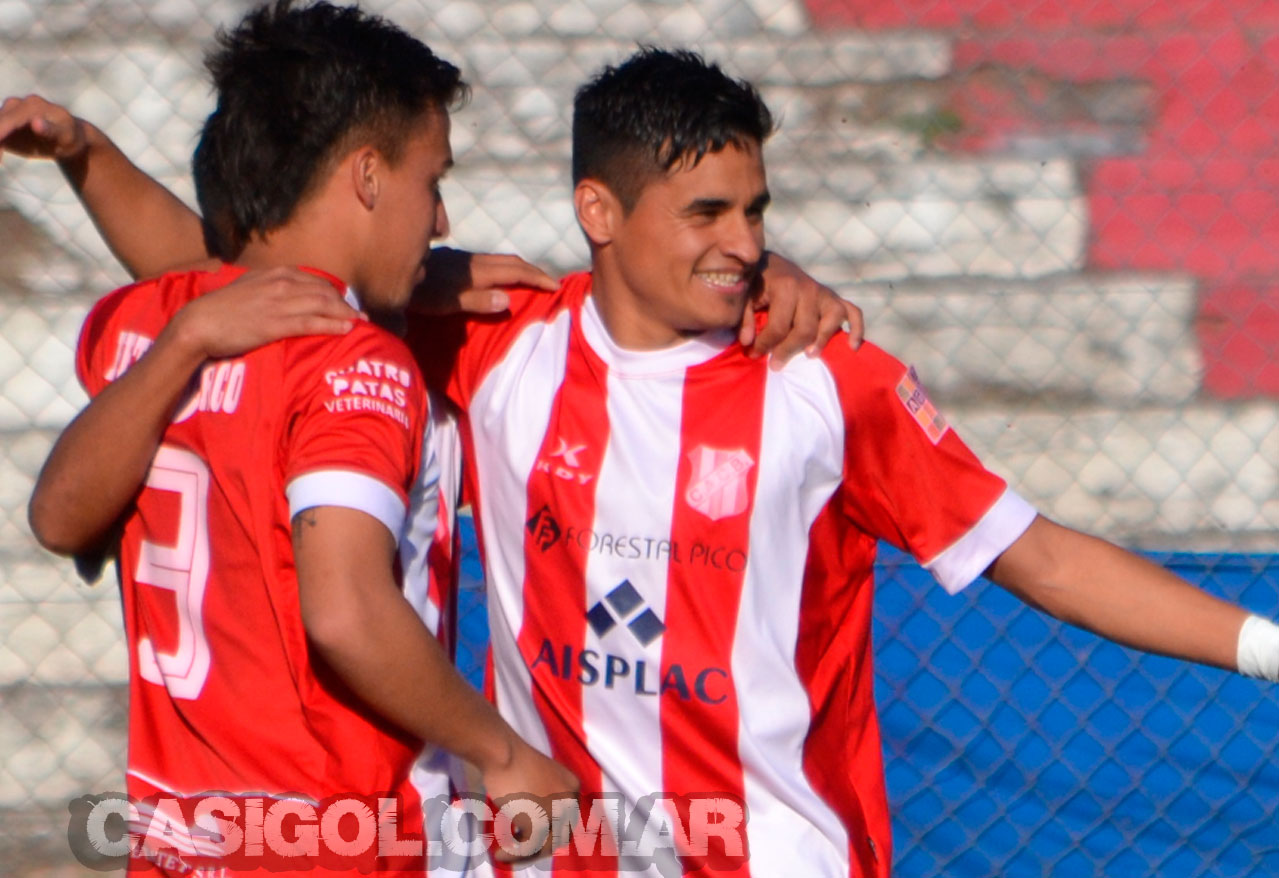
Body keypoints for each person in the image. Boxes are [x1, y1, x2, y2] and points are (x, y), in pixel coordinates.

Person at [20, 41, 1261, 878]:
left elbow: (1042, 558)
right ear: (599, 213)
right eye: (706, 213)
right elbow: (264, 284)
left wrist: (1263, 644)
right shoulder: (496, 345)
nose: (743, 244)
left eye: (756, 211)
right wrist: (95, 164)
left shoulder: (824, 379)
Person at [15, 2, 581, 874]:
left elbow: (56, 518)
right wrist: (502, 753)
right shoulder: (354, 360)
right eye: (432, 183)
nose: (439, 221)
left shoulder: (147, 325)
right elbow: (345, 610)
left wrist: (87, 153)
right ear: (367, 176)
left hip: (182, 842)